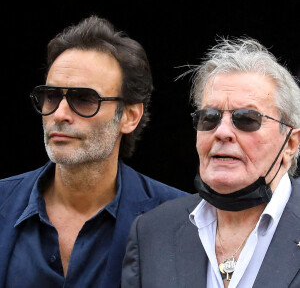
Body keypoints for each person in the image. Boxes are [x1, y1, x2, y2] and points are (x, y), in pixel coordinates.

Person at [0, 16, 187, 288]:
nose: (60, 114)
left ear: (130, 116)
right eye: (51, 96)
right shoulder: (4, 203)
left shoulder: (180, 220)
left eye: (84, 99)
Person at [122, 37, 300, 288]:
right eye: (210, 118)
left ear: (290, 144)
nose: (222, 131)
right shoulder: (150, 232)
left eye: (246, 118)